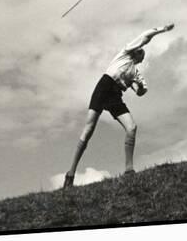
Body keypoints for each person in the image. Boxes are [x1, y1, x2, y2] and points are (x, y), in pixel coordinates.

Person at [63, 23, 175, 189]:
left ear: (140, 59)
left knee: (132, 127)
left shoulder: (135, 72)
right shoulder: (125, 52)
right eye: (139, 50)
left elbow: (138, 91)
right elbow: (145, 36)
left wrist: (142, 88)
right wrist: (162, 30)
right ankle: (70, 175)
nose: (140, 52)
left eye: (141, 54)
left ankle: (129, 170)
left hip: (115, 95)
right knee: (88, 130)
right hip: (104, 86)